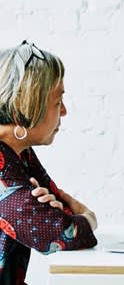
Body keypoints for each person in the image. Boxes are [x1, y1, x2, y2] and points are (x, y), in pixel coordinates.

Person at [0, 41, 97, 284]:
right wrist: (89, 216)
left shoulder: (20, 153)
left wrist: (63, 216)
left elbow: (58, 211)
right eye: (57, 102)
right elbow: (63, 234)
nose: (64, 111)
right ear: (28, 104)